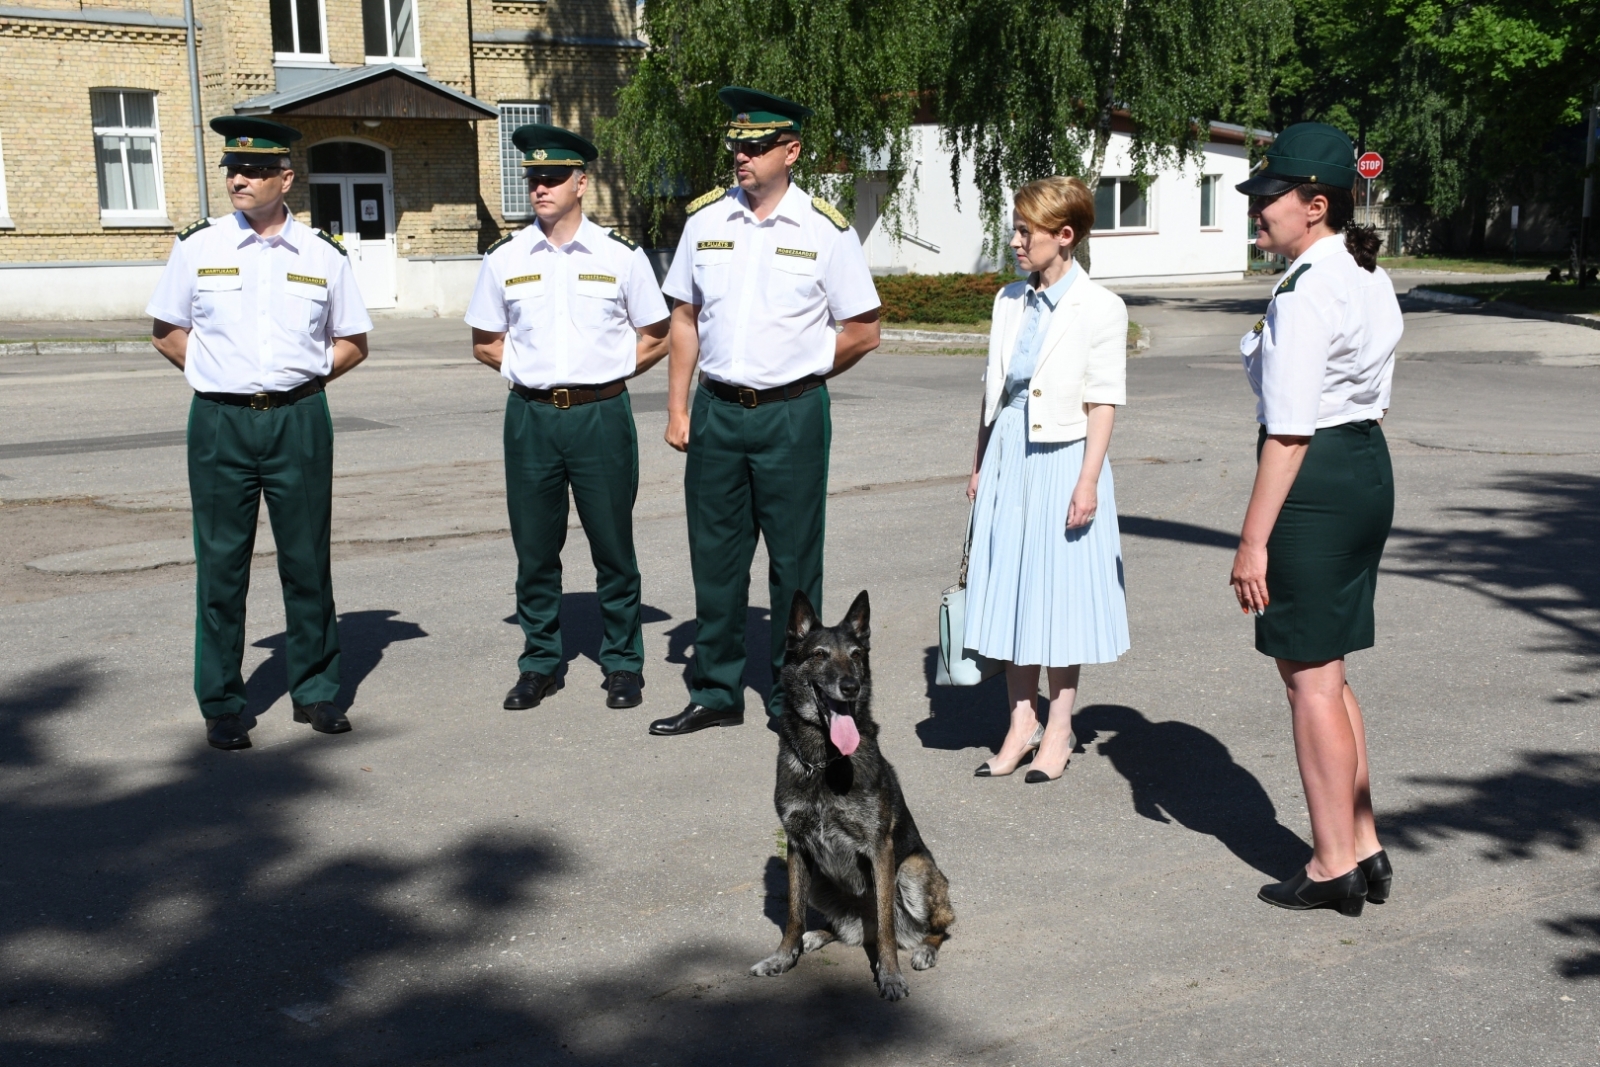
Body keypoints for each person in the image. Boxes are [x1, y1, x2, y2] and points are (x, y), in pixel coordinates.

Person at [649, 87, 882, 737]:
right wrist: (676, 406)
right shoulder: (705, 221)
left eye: (755, 147)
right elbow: (685, 317)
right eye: (735, 146)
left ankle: (794, 702)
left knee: (795, 565)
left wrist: (805, 369)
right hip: (718, 412)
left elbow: (863, 329)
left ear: (792, 150)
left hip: (792, 416)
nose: (741, 157)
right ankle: (717, 688)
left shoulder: (825, 230)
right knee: (716, 558)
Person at [146, 116, 373, 751]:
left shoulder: (323, 254)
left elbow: (353, 342)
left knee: (307, 561)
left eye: (252, 170)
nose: (237, 178)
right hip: (219, 421)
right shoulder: (199, 248)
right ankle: (221, 701)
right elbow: (167, 330)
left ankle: (317, 691)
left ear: (285, 178)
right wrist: (220, 375)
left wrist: (298, 382)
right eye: (231, 169)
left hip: (299, 418)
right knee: (221, 566)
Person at [1230, 122, 1402, 916]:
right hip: (1364, 466)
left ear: (1317, 204)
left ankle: (1332, 858)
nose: (1259, 210)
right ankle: (1362, 843)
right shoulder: (1366, 274)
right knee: (1328, 672)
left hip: (1315, 478)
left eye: (1272, 197)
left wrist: (1253, 538)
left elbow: (1290, 430)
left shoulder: (1305, 289)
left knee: (1307, 680)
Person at [465, 123, 670, 712]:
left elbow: (655, 335)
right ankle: (539, 663)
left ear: (582, 182)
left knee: (613, 546)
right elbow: (486, 342)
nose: (541, 187)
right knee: (535, 550)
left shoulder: (619, 257)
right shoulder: (504, 259)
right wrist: (531, 370)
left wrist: (607, 370)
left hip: (601, 415)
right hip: (531, 418)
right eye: (533, 178)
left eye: (553, 178)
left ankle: (624, 663)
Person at [963, 177, 1131, 783]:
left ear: (1065, 236)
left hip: (1065, 457)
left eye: (1024, 231)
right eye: (1014, 227)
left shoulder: (1101, 306)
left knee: (1057, 596)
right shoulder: (1008, 301)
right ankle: (1019, 722)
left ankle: (1059, 727)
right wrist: (980, 464)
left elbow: (1104, 403)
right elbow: (992, 393)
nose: (1014, 241)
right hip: (1009, 452)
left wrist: (1087, 483)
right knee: (1009, 589)